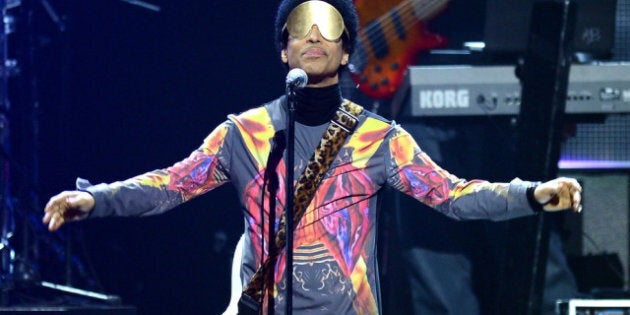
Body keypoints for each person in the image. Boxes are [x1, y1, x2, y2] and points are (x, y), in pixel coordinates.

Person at [42, 0, 583, 314]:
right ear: (283, 50)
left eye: (329, 30)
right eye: (300, 31)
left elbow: (454, 196)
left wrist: (531, 194)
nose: (315, 36)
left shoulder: (379, 138)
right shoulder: (245, 134)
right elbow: (170, 185)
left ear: (348, 52)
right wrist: (95, 198)